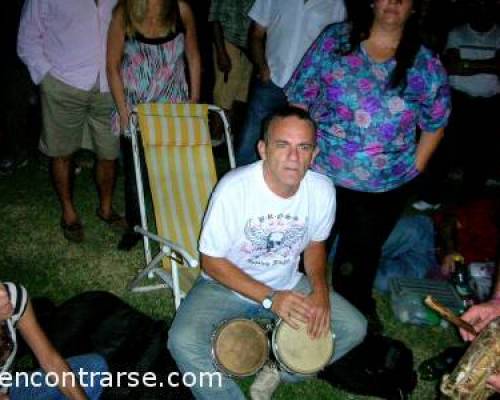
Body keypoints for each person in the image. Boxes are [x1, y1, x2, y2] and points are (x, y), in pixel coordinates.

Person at [168, 106, 367, 400]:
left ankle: (279, 366)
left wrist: (320, 290)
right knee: (181, 341)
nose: (293, 156)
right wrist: (270, 297)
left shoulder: (322, 190)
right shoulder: (234, 189)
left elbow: (314, 244)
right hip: (226, 286)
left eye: (303, 147)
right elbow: (210, 261)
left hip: (288, 282)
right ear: (263, 149)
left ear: (314, 155)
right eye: (282, 145)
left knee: (354, 327)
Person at [285, 0, 451, 329]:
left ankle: (352, 324)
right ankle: (292, 319)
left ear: (415, 7)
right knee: (303, 253)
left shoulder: (425, 63)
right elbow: (300, 93)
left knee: (359, 262)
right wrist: (301, 149)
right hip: (322, 175)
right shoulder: (336, 40)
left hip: (382, 187)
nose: (393, 3)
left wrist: (415, 166)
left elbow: (436, 122)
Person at [17, 0, 126, 243]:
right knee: (62, 152)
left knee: (109, 153)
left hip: (109, 85)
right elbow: (27, 37)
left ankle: (106, 209)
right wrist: (45, 77)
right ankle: (68, 212)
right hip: (63, 82)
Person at [107, 0, 201, 251]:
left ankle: (172, 228)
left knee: (170, 171)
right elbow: (112, 65)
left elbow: (193, 55)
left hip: (171, 106)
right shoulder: (123, 11)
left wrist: (194, 101)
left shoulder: (181, 10)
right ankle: (135, 227)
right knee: (134, 172)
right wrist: (123, 111)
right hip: (134, 105)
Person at [235, 0, 346, 166]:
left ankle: (287, 188)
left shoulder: (337, 4)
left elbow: (340, 46)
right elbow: (256, 34)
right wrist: (261, 66)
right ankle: (239, 186)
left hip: (310, 92)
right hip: (272, 81)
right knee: (250, 141)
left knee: (299, 146)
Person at [0, 282, 107, 399]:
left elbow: (50, 360)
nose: (2, 293)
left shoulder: (13, 297)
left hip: (9, 387)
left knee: (94, 367)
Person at [442, 0, 500, 193]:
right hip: (460, 100)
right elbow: (452, 66)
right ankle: (437, 197)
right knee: (449, 148)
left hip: (490, 103)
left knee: (482, 153)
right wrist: (491, 64)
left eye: (487, 5)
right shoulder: (457, 33)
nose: (482, 10)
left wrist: (467, 65)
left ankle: (471, 200)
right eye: (478, 5)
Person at [208, 0, 254, 144]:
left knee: (239, 97)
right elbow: (214, 19)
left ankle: (227, 139)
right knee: (224, 96)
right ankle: (214, 140)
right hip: (228, 43)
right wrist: (221, 52)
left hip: (248, 48)